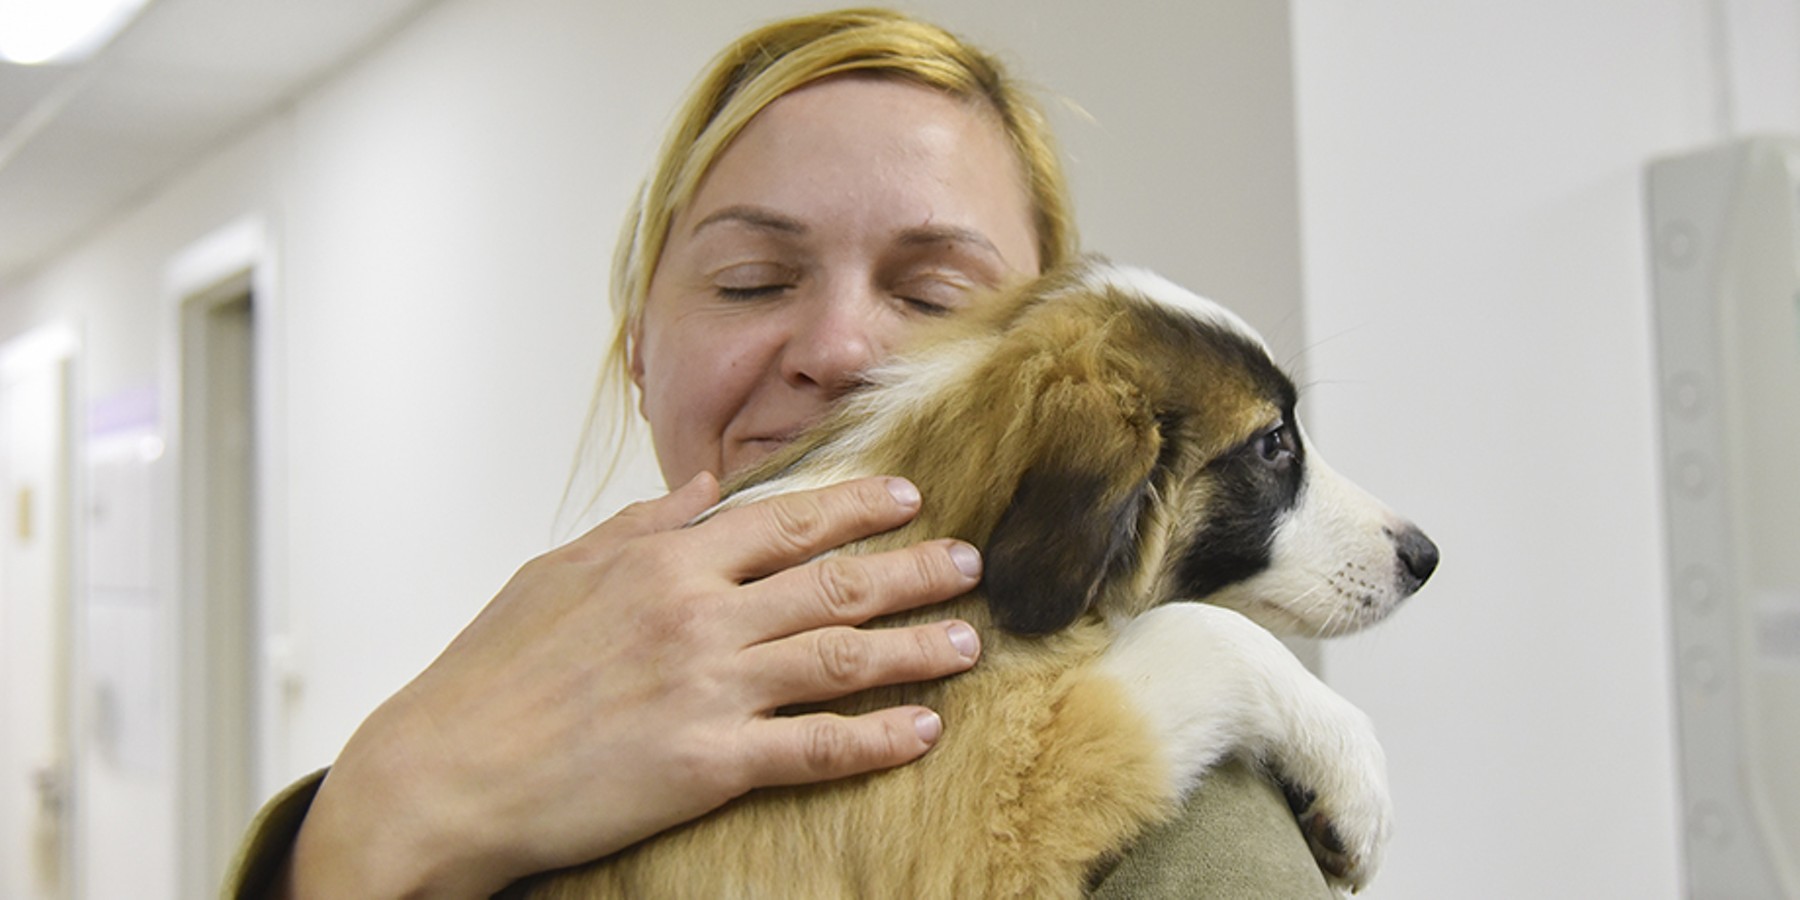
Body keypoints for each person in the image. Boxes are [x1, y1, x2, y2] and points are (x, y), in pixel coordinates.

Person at [230, 9, 1334, 898]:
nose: (842, 351)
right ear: (638, 349)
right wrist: (380, 816)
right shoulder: (484, 730)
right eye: (752, 281)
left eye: (938, 301)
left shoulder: (1177, 795)